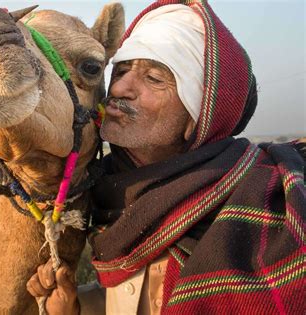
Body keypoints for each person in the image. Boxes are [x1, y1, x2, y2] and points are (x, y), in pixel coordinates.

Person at [27, 0, 305, 314]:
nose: (120, 88)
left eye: (154, 79)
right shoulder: (109, 193)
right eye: (120, 71)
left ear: (200, 114)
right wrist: (76, 307)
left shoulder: (269, 207)